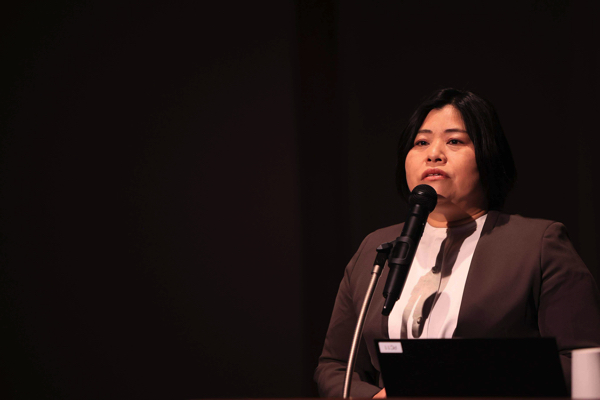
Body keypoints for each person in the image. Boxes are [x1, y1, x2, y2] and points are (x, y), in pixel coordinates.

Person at [314, 88, 600, 398]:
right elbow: (335, 366)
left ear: (488, 156)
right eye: (421, 142)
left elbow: (581, 363)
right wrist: (373, 397)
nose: (434, 154)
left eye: (455, 141)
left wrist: (454, 383)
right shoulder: (376, 246)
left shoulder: (538, 245)